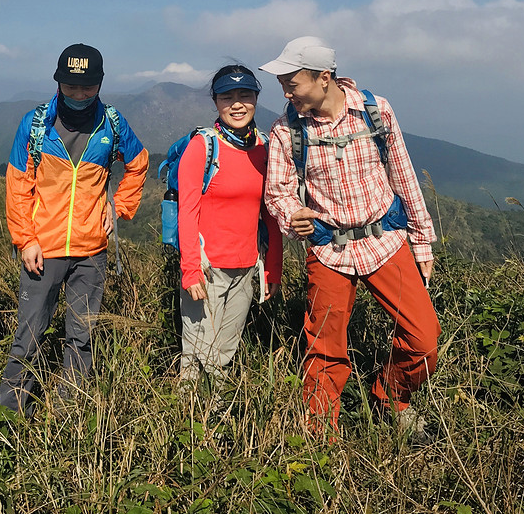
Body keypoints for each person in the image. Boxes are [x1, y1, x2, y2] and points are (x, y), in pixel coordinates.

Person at [260, 37, 440, 433]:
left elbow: (403, 175)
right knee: (323, 351)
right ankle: (320, 441)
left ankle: (390, 397)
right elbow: (277, 191)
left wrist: (421, 239)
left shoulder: (375, 112)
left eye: (293, 82)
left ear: (324, 78)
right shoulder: (286, 130)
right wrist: (293, 217)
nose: (286, 92)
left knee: (424, 340)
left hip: (386, 240)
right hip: (328, 248)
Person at [0, 44, 149, 416]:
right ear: (58, 82)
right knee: (28, 336)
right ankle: (11, 417)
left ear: (99, 84)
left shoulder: (111, 123)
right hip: (43, 249)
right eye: (70, 86)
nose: (79, 95)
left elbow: (139, 162)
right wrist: (26, 240)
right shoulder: (36, 124)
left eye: (87, 87)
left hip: (91, 250)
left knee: (81, 336)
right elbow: (18, 184)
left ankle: (71, 415)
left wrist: (119, 208)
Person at [176, 64, 283, 380]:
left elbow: (272, 213)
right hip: (207, 270)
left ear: (256, 98)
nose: (237, 104)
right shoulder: (203, 147)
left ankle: (217, 422)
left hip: (246, 269)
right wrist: (191, 269)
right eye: (227, 97)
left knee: (224, 353)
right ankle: (192, 422)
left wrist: (272, 267)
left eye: (244, 95)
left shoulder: (265, 147)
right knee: (199, 356)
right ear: (216, 101)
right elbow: (187, 211)